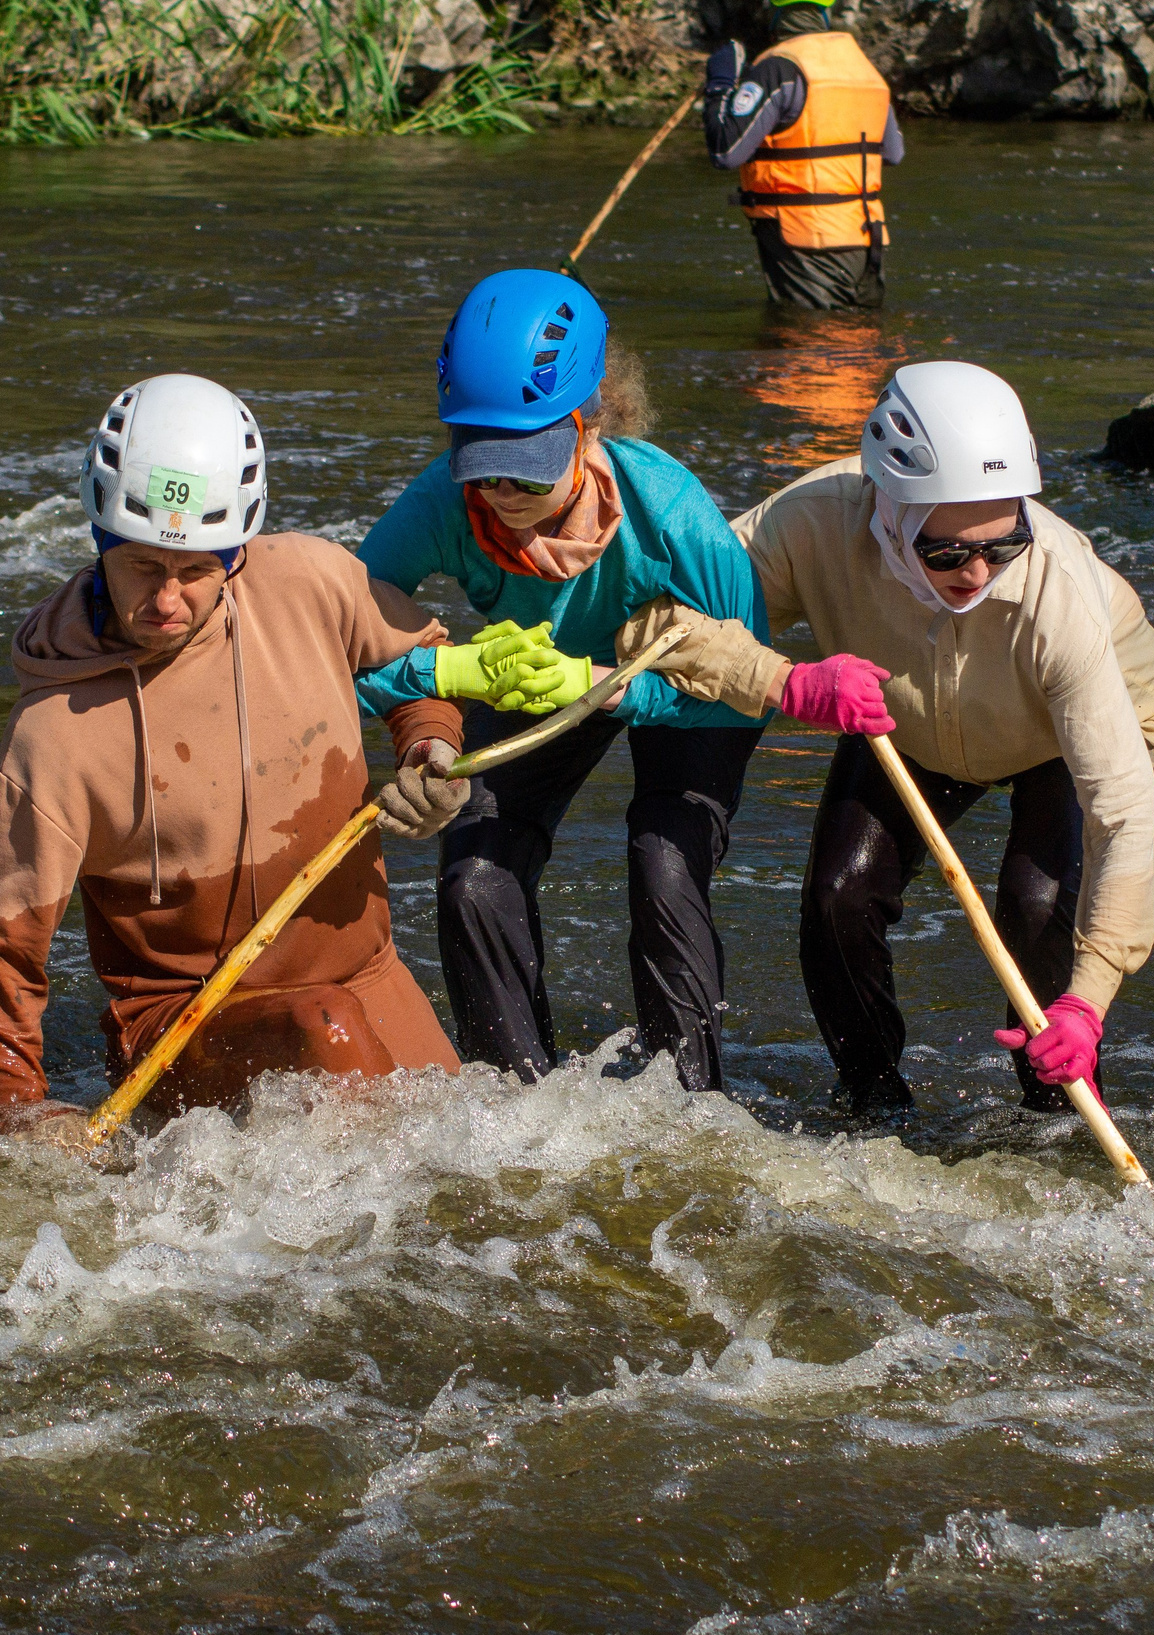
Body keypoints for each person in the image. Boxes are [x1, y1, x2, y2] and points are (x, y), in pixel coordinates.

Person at [354, 270, 892, 1093]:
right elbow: (332, 654)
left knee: (663, 867)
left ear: (585, 425)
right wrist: (443, 682)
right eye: (482, 469)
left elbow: (741, 688)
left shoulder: (674, 515)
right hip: (531, 684)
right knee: (473, 877)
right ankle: (513, 1103)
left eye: (527, 472)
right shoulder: (439, 506)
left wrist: (604, 686)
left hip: (680, 689)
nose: (501, 497)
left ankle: (688, 1107)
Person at [627, 361, 1154, 1118]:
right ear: (889, 511)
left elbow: (1122, 813)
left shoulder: (1061, 597)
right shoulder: (812, 520)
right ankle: (875, 1104)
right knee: (837, 898)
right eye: (948, 553)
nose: (978, 572)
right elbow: (662, 623)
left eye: (1004, 543)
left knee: (1034, 901)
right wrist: (784, 679)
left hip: (1064, 730)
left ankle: (1058, 1108)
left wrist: (1088, 1003)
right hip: (911, 717)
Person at [0, 374, 501, 1148]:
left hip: (365, 974)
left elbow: (426, 660)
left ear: (238, 554)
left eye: (195, 571)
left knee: (478, 1173)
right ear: (100, 542)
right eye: (143, 567)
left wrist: (432, 749)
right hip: (182, 1026)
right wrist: (20, 1107)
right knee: (334, 1038)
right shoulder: (52, 737)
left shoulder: (313, 582)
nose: (168, 599)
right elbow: (2, 943)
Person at [703, 0, 902, 312]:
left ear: (777, 13)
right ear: (825, 11)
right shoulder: (864, 69)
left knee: (806, 345)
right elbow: (893, 153)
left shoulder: (778, 69)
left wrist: (720, 86)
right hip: (865, 236)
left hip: (806, 238)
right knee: (857, 342)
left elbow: (726, 151)